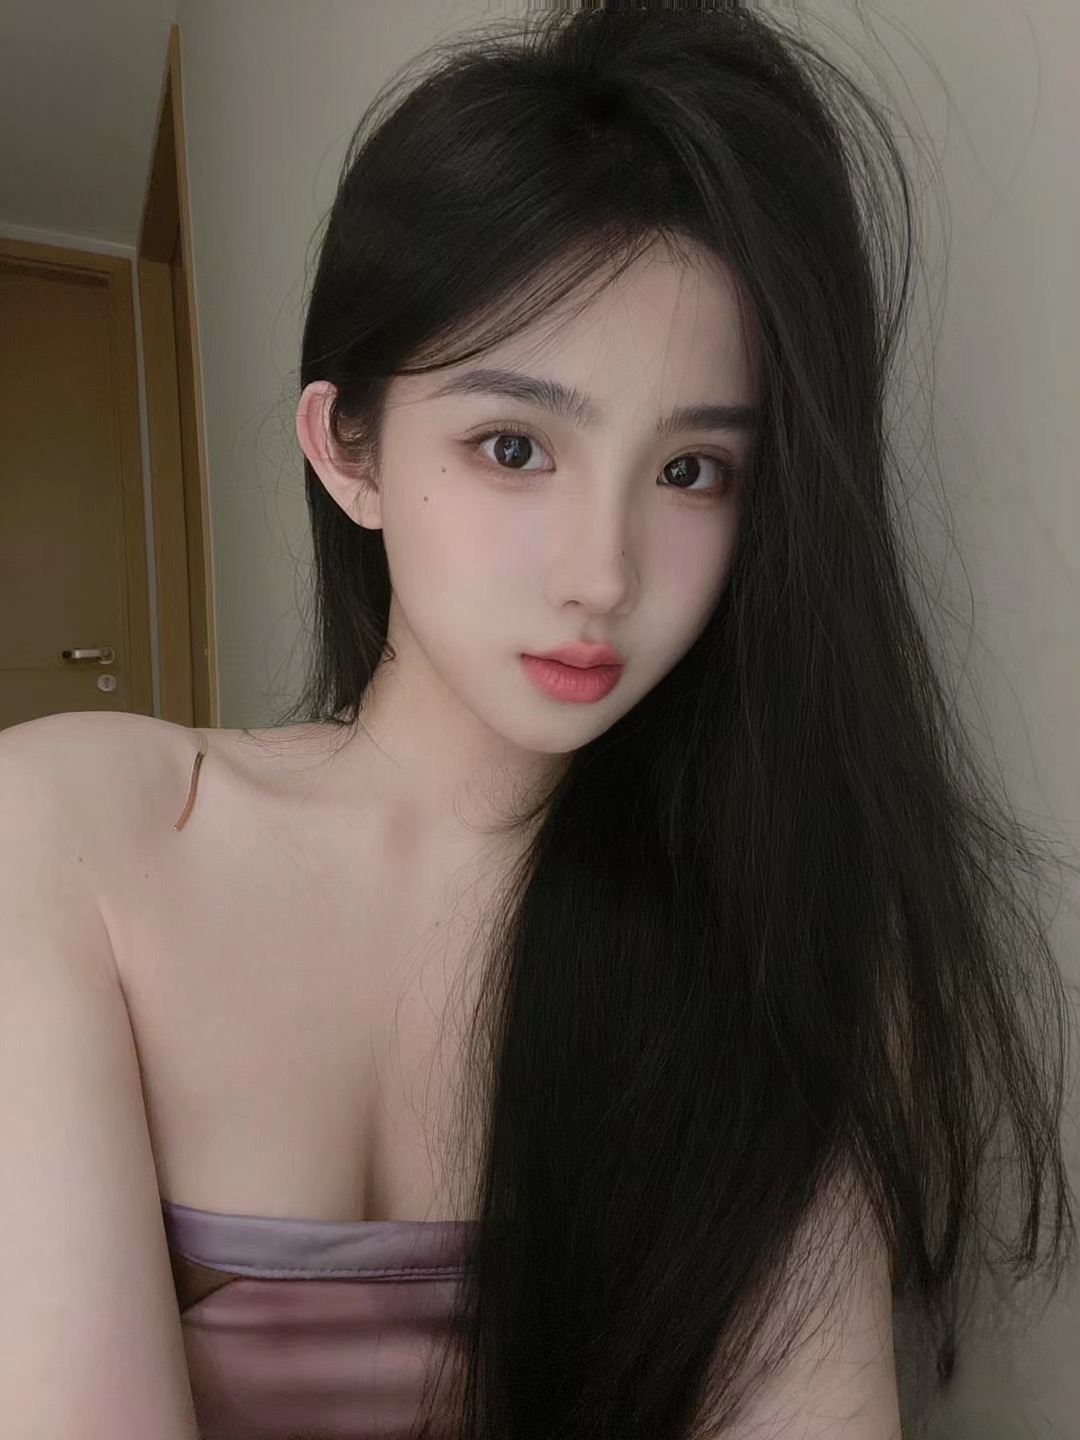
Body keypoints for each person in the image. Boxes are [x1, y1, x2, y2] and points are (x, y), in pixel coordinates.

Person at [2, 5, 1075, 1438]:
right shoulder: (72, 832)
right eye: (514, 446)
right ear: (348, 450)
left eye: (692, 471)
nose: (604, 575)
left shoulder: (771, 935)